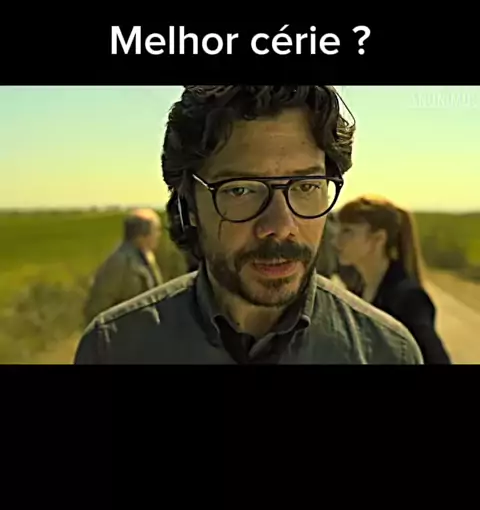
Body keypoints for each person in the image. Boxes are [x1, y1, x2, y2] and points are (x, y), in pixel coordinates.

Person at [74, 85, 423, 365]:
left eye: (306, 187)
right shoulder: (114, 348)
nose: (280, 226)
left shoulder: (387, 352)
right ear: (189, 203)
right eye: (241, 190)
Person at [334, 195, 451, 365]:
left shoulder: (408, 299)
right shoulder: (357, 293)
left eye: (347, 231)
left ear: (378, 239)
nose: (336, 240)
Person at [83, 208, 163, 325]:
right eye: (156, 230)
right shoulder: (118, 263)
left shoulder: (147, 257)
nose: (158, 235)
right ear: (141, 235)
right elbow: (98, 307)